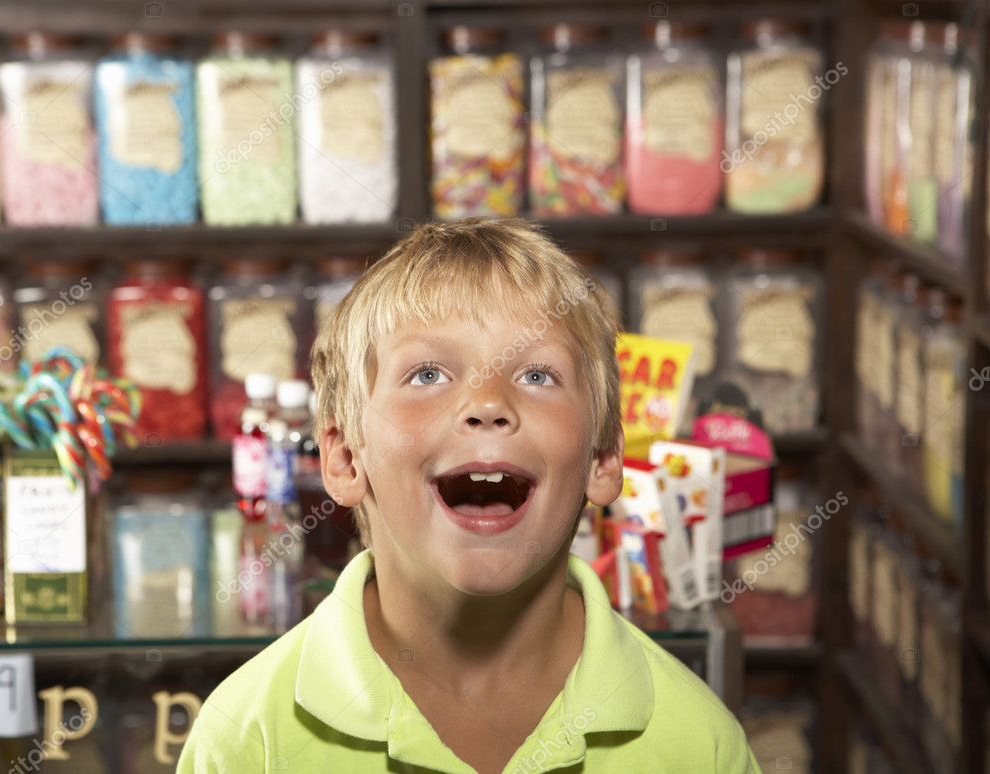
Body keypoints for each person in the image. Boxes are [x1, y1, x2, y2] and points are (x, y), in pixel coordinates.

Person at [177, 218, 762, 773]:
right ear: (345, 457)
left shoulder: (698, 745)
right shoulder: (246, 742)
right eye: (428, 374)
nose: (487, 404)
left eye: (537, 375)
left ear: (603, 460)